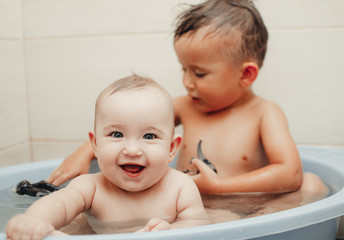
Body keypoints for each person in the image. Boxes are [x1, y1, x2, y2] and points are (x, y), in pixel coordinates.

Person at [47, 0, 327, 195]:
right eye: (184, 69)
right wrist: (82, 154)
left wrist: (219, 188)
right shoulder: (185, 107)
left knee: (313, 184)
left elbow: (290, 174)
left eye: (200, 74)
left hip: (244, 206)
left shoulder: (265, 113)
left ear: (246, 75)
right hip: (179, 205)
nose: (186, 82)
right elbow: (123, 124)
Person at [6, 75, 209, 239]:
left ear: (172, 148)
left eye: (149, 136)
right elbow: (60, 204)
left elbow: (200, 225)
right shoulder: (90, 187)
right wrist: (34, 220)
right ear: (95, 144)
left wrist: (171, 232)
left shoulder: (181, 187)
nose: (131, 150)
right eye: (117, 134)